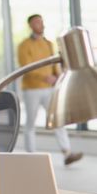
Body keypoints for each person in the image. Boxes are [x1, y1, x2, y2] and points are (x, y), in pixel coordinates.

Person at [18, 14, 83, 165]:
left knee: (57, 119)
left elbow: (54, 64)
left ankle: (67, 153)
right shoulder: (24, 45)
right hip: (32, 89)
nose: (40, 24)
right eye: (36, 22)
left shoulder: (48, 43)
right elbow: (26, 67)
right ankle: (30, 157)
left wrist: (59, 78)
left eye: (41, 22)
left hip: (49, 89)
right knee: (30, 123)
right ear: (31, 25)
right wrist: (45, 77)